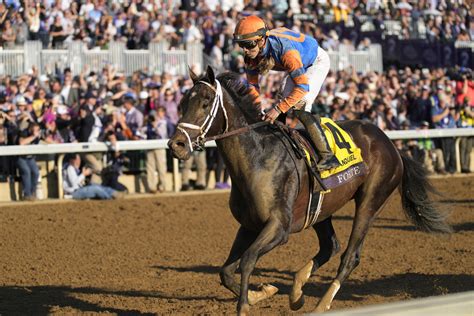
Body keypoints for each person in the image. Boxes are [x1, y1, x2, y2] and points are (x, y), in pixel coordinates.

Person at [233, 15, 339, 171]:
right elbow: (253, 86)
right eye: (241, 45)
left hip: (314, 61)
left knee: (299, 104)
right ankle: (280, 148)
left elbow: (302, 87)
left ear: (262, 40)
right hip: (297, 61)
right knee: (282, 98)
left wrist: (276, 110)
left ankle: (328, 156)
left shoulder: (286, 51)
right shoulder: (251, 55)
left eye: (248, 45)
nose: (245, 50)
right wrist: (256, 110)